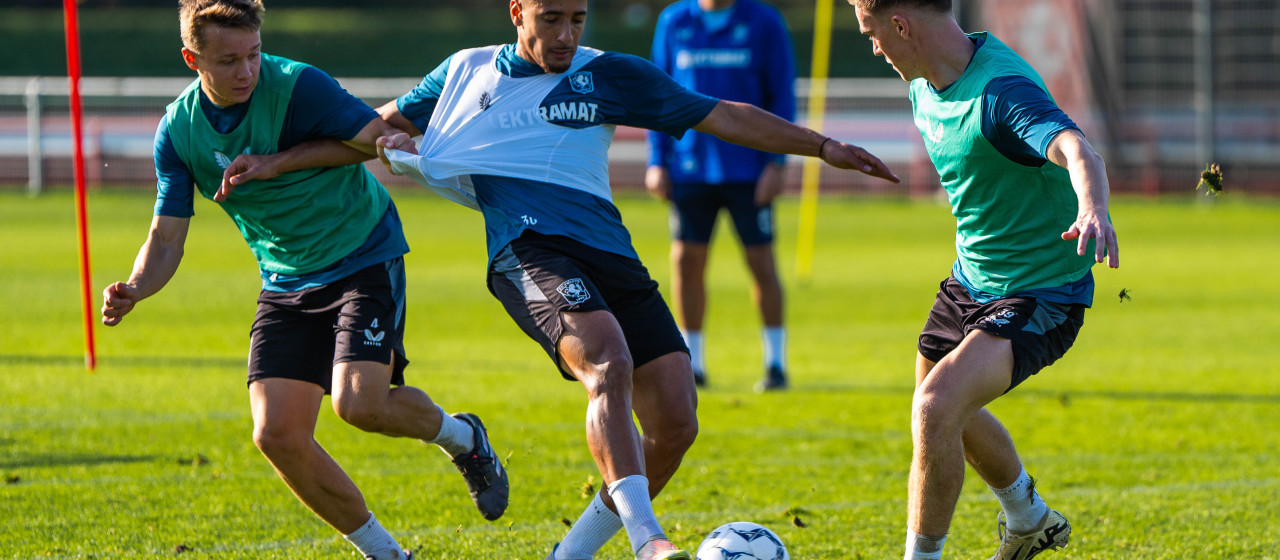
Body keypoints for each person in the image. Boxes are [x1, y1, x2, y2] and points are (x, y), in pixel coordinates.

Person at [365, 1, 896, 558]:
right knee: (607, 362)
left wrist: (822, 147)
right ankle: (649, 541)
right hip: (526, 252)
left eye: (577, 18)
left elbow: (723, 115)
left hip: (610, 254)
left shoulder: (610, 74)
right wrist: (380, 143)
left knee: (675, 422)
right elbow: (376, 124)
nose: (566, 34)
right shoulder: (466, 73)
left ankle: (568, 555)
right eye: (551, 19)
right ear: (517, 12)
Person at [98, 1, 509, 559]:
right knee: (276, 435)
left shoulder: (297, 86)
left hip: (362, 253)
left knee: (360, 404)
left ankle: (464, 438)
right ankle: (387, 554)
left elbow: (372, 136)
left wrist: (287, 160)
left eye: (253, 54)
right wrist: (136, 287)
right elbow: (167, 238)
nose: (246, 71)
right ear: (192, 59)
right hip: (286, 279)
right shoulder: (179, 131)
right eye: (228, 61)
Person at [848, 1, 1120, 559]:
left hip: (1041, 292)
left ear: (900, 26)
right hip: (969, 280)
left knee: (935, 408)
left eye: (872, 35)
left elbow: (1077, 148)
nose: (873, 48)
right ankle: (1030, 518)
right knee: (936, 407)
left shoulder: (1000, 92)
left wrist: (1092, 208)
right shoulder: (925, 82)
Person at [645, 0, 796, 392]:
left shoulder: (764, 21)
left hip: (750, 170)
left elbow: (781, 94)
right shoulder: (674, 21)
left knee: (761, 262)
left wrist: (777, 163)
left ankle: (775, 364)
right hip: (690, 167)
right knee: (686, 262)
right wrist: (657, 161)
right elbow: (656, 96)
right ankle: (692, 366)